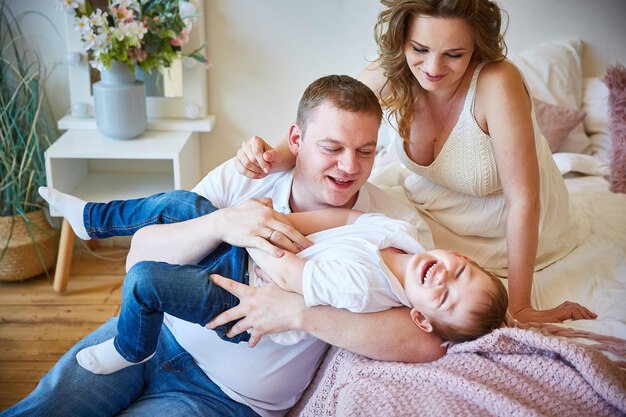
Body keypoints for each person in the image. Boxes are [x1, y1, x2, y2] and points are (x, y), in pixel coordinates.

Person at [2, 75, 446, 417]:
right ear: (296, 140)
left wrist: (299, 313)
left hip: (223, 398)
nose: (349, 167)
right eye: (332, 147)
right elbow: (140, 259)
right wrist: (222, 223)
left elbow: (425, 341)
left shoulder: (389, 226)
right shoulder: (248, 177)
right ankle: (91, 218)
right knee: (45, 407)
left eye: (366, 152)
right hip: (151, 333)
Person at [232, 0, 597, 325]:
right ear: (401, 39)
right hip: (429, 211)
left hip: (507, 228)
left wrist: (519, 306)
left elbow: (524, 201)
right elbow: (328, 120)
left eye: (454, 54)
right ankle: (249, 239)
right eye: (420, 49)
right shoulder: (391, 71)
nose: (433, 68)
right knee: (347, 220)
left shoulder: (497, 83)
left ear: (476, 49)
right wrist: (272, 155)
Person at [38, 186, 508, 375]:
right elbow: (344, 218)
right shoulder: (402, 234)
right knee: (184, 203)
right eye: (460, 271)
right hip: (249, 257)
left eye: (443, 298)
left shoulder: (363, 286)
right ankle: (93, 218)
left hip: (242, 298)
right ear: (461, 255)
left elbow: (287, 273)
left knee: (144, 281)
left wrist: (250, 225)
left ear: (422, 319)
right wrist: (272, 218)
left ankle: (130, 346)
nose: (442, 277)